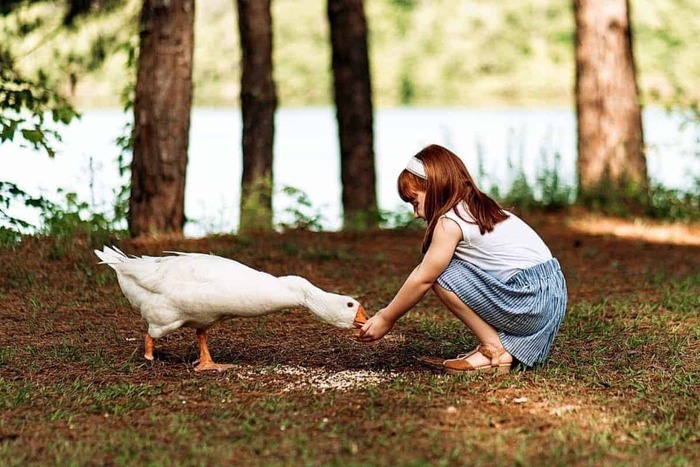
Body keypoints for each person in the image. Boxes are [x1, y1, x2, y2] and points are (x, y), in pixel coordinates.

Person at [357, 144, 567, 374]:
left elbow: (423, 278)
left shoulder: (451, 221)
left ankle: (493, 347)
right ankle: (502, 347)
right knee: (442, 267)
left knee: (440, 273)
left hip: (530, 301)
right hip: (549, 297)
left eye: (415, 202)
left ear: (435, 187)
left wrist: (387, 317)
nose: (416, 214)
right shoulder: (480, 209)